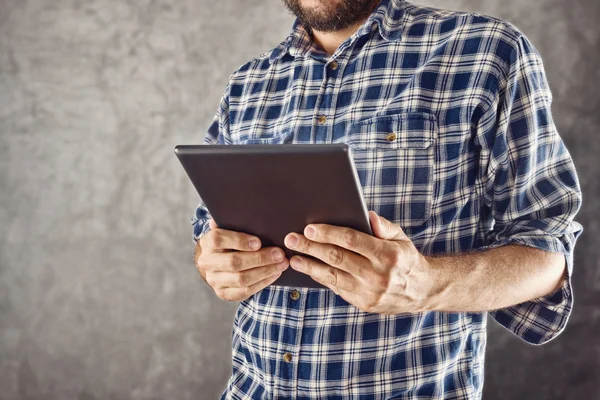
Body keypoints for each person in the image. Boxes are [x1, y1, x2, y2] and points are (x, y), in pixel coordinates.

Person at [192, 0, 583, 398]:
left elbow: (548, 255)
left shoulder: (487, 52)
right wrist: (214, 260)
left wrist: (427, 284)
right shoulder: (247, 85)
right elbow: (208, 232)